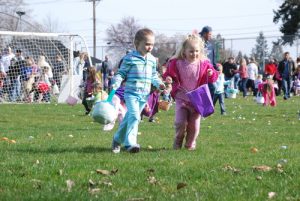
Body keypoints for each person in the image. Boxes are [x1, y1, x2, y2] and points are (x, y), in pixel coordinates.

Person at [110, 28, 165, 153]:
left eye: (151, 44)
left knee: (130, 117)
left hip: (144, 95)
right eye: (146, 44)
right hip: (131, 93)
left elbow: (153, 76)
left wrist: (160, 84)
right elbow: (121, 73)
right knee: (135, 116)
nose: (149, 47)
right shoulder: (129, 58)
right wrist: (116, 82)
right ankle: (131, 144)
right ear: (137, 43)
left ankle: (117, 139)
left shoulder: (151, 60)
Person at [163, 34, 218, 151]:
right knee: (180, 123)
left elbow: (214, 76)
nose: (194, 54)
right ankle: (178, 141)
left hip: (197, 99)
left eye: (197, 51)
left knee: (194, 126)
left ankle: (190, 145)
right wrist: (168, 78)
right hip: (181, 98)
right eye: (191, 51)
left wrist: (210, 73)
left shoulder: (204, 63)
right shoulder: (176, 63)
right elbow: (168, 73)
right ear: (184, 51)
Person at [199, 26, 217, 99]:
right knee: (201, 90)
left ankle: (208, 107)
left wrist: (215, 67)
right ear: (204, 34)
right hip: (200, 71)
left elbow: (213, 58)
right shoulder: (197, 44)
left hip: (209, 72)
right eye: (209, 34)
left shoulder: (210, 45)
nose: (210, 36)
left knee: (212, 89)